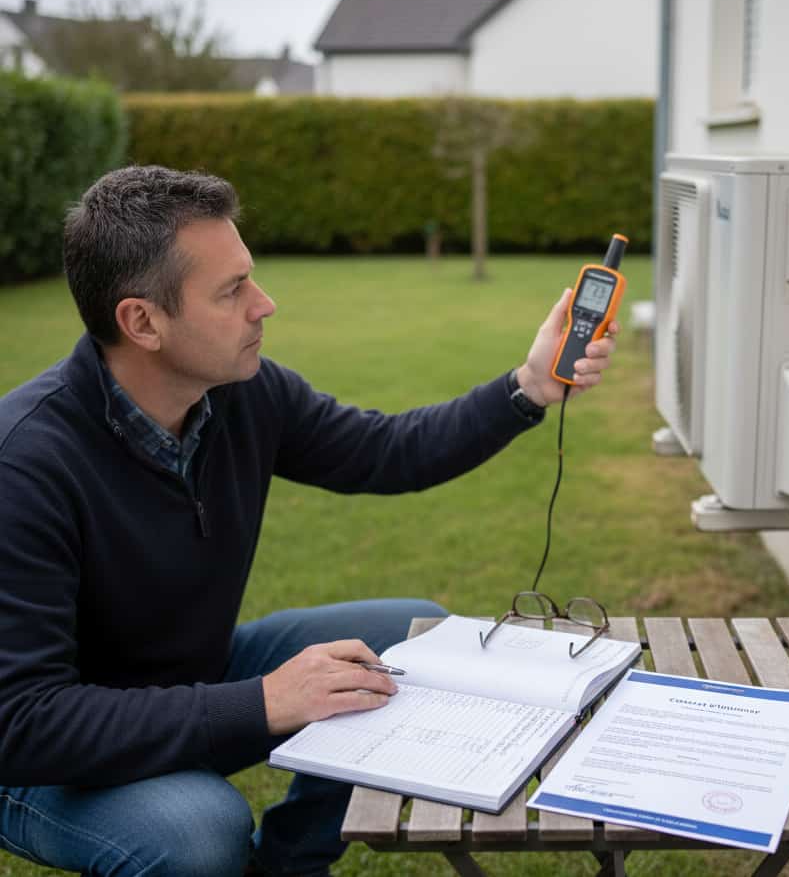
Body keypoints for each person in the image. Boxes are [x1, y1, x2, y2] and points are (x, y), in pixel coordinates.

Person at [0, 165, 619, 876]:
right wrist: (261, 703)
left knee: (409, 636)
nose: (264, 305)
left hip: (194, 675)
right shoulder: (24, 465)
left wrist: (529, 387)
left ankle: (289, 867)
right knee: (198, 831)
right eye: (232, 291)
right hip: (42, 762)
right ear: (142, 321)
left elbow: (389, 452)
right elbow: (23, 722)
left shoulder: (245, 396)